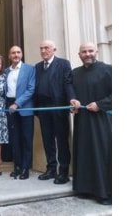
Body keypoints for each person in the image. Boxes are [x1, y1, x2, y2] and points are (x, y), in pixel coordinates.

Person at [69, 42, 112, 205]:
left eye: (90, 51)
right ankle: (85, 189)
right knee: (84, 153)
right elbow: (70, 91)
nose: (87, 54)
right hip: (82, 120)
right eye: (84, 52)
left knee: (102, 154)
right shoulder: (75, 73)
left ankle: (105, 193)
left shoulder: (109, 69)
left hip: (101, 121)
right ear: (79, 54)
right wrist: (72, 102)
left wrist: (100, 105)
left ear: (97, 52)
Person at [34, 40, 76, 184]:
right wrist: (36, 109)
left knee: (62, 141)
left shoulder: (63, 64)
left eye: (46, 48)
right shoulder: (38, 67)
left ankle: (63, 172)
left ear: (54, 49)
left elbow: (68, 83)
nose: (43, 50)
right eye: (41, 48)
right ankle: (51, 169)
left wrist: (72, 99)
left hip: (58, 108)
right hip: (43, 109)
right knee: (47, 140)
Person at [5, 45, 36, 180]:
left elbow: (31, 89)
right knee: (14, 138)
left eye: (18, 52)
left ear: (21, 54)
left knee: (26, 138)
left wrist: (17, 103)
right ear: (9, 56)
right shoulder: (6, 71)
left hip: (24, 107)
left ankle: (25, 168)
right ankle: (17, 166)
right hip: (10, 108)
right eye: (13, 53)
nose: (16, 55)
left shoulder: (30, 69)